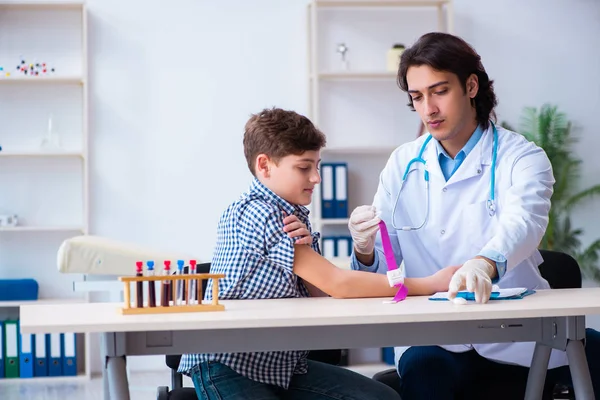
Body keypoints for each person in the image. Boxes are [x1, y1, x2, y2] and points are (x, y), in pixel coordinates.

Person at [348, 32, 600, 399]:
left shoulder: (522, 158)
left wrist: (484, 263)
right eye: (417, 97)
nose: (428, 109)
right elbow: (391, 267)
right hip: (433, 339)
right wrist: (366, 249)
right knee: (424, 369)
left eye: (439, 91)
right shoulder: (402, 164)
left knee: (591, 353)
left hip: (519, 337)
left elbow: (525, 221)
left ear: (470, 85)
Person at [178, 107, 459, 400]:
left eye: (317, 166)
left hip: (278, 364)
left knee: (381, 397)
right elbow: (337, 283)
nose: (316, 178)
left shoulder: (293, 214)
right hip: (228, 363)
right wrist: (431, 283)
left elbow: (321, 294)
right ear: (265, 166)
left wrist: (310, 246)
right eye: (303, 167)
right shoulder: (259, 212)